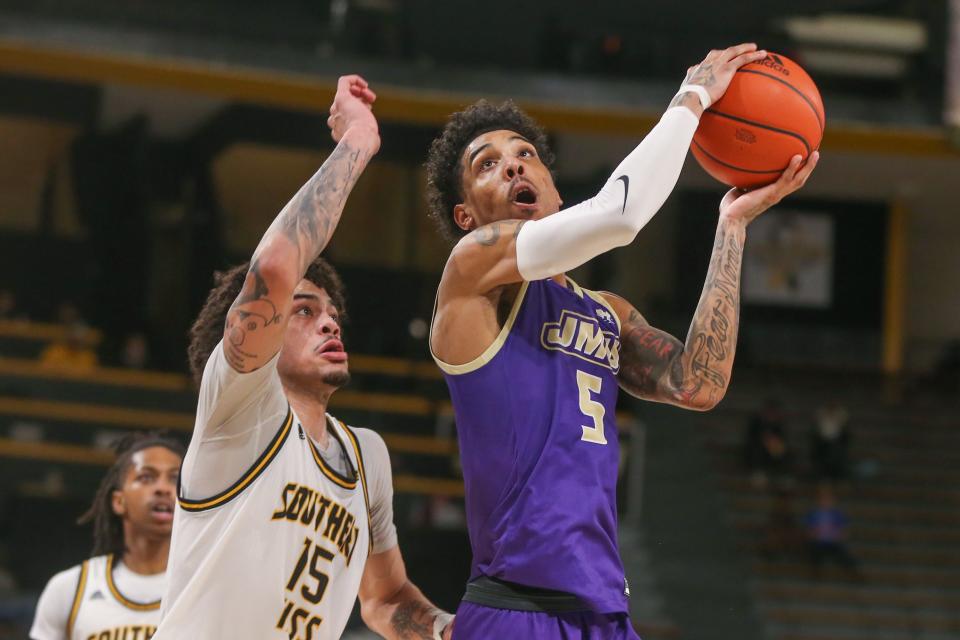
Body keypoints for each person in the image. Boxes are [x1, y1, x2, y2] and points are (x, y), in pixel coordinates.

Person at [425, 44, 819, 638]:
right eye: (487, 164)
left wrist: (731, 227)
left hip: (605, 613)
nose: (513, 167)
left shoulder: (607, 313)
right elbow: (622, 215)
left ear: (556, 194)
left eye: (527, 155)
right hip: (516, 609)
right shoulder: (472, 273)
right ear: (465, 217)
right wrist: (692, 99)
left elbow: (697, 383)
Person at [156, 76, 453, 640]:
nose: (329, 319)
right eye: (304, 309)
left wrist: (445, 629)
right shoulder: (241, 408)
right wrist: (357, 143)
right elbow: (273, 268)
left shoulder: (368, 457)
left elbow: (385, 598)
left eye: (332, 311)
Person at [30, 433, 184, 640]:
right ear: (118, 501)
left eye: (175, 478)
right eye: (146, 477)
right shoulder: (69, 588)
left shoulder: (205, 585)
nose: (163, 489)